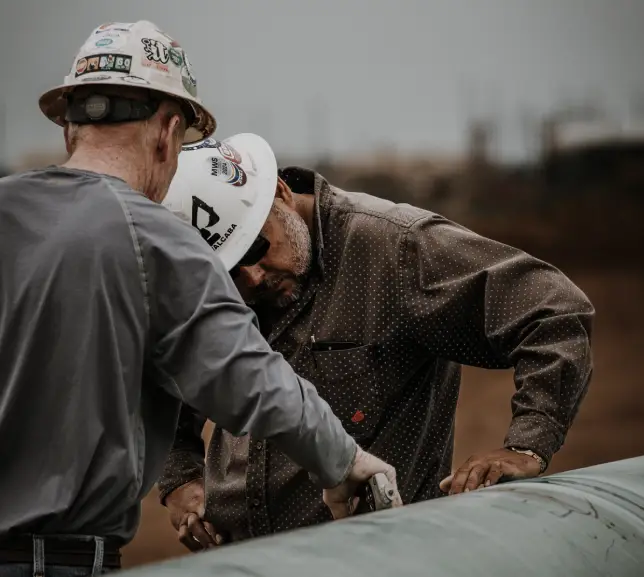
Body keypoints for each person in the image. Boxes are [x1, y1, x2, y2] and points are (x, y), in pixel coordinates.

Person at [0, 22, 399, 577]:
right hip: (51, 563)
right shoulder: (153, 238)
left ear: (70, 129)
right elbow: (248, 376)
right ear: (167, 132)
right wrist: (344, 462)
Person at [158, 142, 595, 548]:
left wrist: (527, 443)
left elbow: (551, 308)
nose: (252, 277)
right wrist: (179, 477)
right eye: (231, 269)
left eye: (257, 247)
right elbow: (171, 374)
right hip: (239, 559)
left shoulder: (396, 249)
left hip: (373, 557)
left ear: (281, 193)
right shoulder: (208, 283)